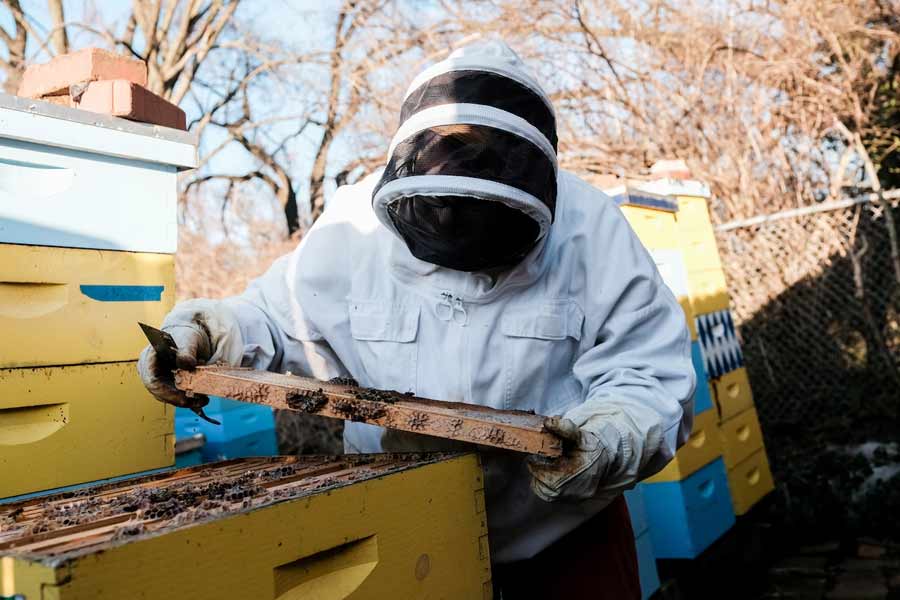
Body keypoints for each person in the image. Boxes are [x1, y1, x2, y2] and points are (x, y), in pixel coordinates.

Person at [139, 40, 695, 598]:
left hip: (561, 537)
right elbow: (276, 318)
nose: (458, 222)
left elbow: (649, 371)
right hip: (397, 523)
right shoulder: (350, 229)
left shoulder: (591, 229)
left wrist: (613, 438)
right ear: (410, 158)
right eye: (443, 192)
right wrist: (210, 332)